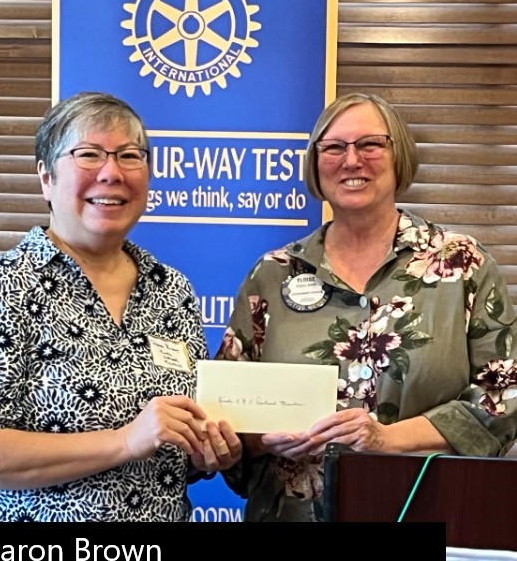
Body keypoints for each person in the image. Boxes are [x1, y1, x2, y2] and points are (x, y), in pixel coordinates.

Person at [0, 91, 241, 561]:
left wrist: (204, 452)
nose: (112, 173)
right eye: (89, 155)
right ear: (46, 178)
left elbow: (169, 445)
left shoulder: (172, 291)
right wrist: (125, 441)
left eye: (130, 155)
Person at [215, 91, 517, 522]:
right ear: (315, 164)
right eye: (334, 147)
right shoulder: (273, 274)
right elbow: (226, 415)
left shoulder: (461, 264)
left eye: (370, 144)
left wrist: (386, 439)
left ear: (399, 156)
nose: (352, 160)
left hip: (425, 512)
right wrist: (262, 439)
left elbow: (503, 398)